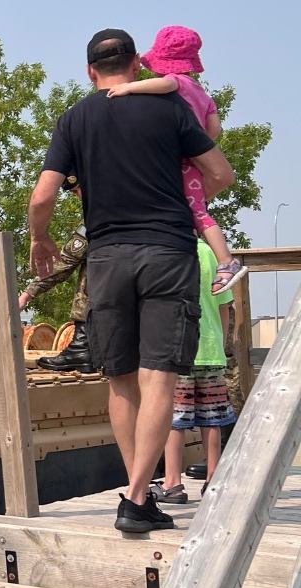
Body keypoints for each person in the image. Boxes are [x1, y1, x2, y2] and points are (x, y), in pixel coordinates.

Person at [28, 28, 234, 535]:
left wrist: (40, 238)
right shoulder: (170, 110)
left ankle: (135, 491)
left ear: (91, 71)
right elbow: (222, 173)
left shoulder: (74, 118)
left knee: (119, 378)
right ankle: (139, 498)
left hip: (107, 258)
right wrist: (187, 186)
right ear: (138, 65)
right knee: (159, 376)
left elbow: (42, 195)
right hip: (166, 251)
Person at [106, 25, 247, 295]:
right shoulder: (203, 94)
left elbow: (166, 84)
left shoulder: (176, 82)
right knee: (190, 209)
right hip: (195, 160)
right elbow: (214, 129)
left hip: (182, 161)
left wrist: (129, 88)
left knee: (199, 213)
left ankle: (226, 261)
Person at [153, 240, 236, 504]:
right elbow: (224, 305)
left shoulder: (168, 249)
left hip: (178, 348)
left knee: (174, 419)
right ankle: (213, 479)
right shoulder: (211, 252)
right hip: (211, 348)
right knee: (212, 419)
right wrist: (220, 345)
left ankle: (173, 483)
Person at [19, 175, 93, 372]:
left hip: (105, 308)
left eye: (78, 190)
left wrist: (27, 294)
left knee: (96, 266)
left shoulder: (97, 216)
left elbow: (66, 261)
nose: (78, 196)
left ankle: (82, 347)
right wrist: (28, 293)